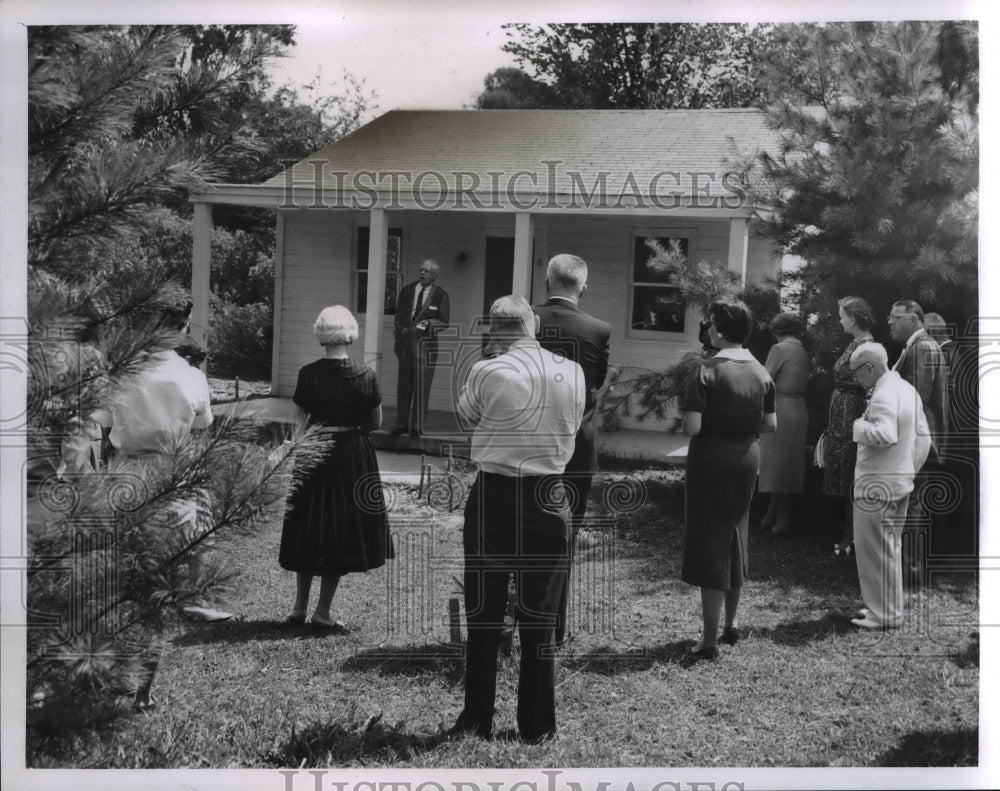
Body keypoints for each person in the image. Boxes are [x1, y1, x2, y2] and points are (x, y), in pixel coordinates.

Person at [451, 295, 584, 743]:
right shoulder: (574, 370)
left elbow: (466, 419)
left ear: (494, 330)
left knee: (485, 613)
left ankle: (477, 718)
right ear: (534, 325)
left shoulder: (487, 369)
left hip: (496, 491)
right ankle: (538, 725)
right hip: (549, 493)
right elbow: (575, 422)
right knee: (541, 616)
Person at [93, 298, 224, 708]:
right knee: (161, 585)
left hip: (128, 474)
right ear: (184, 327)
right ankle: (143, 688)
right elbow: (203, 424)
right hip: (173, 474)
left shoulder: (124, 373)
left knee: (120, 578)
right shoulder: (189, 375)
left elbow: (105, 423)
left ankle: (114, 670)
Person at [279, 306, 393, 631]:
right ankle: (322, 612)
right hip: (350, 456)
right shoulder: (367, 375)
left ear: (320, 334)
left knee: (308, 525)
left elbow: (299, 421)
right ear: (351, 334)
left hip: (314, 452)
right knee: (338, 530)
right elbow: (375, 422)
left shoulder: (308, 374)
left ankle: (299, 607)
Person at [680, 299, 776, 662]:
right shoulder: (761, 370)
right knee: (738, 533)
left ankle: (708, 641)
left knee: (710, 541)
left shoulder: (706, 370)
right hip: (748, 457)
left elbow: (693, 426)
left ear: (718, 328)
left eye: (709, 322)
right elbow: (770, 425)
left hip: (711, 459)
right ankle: (731, 624)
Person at [532, 253, 611, 646]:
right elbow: (594, 383)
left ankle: (520, 618)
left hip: (529, 438)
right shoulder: (598, 330)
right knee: (567, 531)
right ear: (582, 285)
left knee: (522, 528)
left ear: (548, 283)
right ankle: (555, 625)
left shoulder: (525, 320)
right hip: (577, 441)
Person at [848, 342, 930, 629]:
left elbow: (884, 434)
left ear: (869, 368)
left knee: (872, 551)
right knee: (890, 550)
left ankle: (881, 613)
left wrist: (858, 426)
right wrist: (907, 471)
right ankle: (888, 610)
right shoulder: (908, 390)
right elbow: (924, 439)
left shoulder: (883, 393)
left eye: (857, 373)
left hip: (876, 485)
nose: (857, 381)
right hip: (900, 484)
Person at [888, 299, 949, 585]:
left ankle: (910, 574)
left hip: (919, 440)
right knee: (912, 504)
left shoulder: (923, 347)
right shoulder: (919, 346)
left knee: (911, 505)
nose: (889, 321)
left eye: (895, 316)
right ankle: (908, 571)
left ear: (913, 319)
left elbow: (916, 398)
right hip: (919, 438)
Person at [822, 296, 876, 557]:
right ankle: (848, 533)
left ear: (853, 318)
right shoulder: (856, 343)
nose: (840, 320)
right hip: (842, 413)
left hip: (852, 414)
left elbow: (870, 387)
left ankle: (852, 536)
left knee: (853, 476)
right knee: (846, 476)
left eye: (842, 315)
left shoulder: (867, 347)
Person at [758, 312, 811, 535]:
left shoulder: (779, 349)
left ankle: (783, 517)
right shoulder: (802, 350)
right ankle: (772, 513)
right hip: (798, 408)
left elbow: (764, 378)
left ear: (778, 331)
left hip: (780, 408)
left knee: (777, 465)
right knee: (787, 463)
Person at [391, 259, 450, 436]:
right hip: (406, 347)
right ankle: (401, 423)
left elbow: (444, 322)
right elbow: (398, 316)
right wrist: (401, 332)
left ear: (434, 275)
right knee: (404, 386)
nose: (422, 273)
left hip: (426, 348)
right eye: (421, 270)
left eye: (427, 271)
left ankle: (417, 426)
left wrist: (429, 322)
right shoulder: (407, 291)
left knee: (421, 387)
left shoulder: (440, 295)